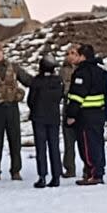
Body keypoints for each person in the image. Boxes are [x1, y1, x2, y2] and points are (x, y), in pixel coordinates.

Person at [0, 40, 32, 181]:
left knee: (15, 141)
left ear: (3, 51)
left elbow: (29, 80)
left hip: (12, 107)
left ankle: (16, 171)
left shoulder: (14, 67)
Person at [65, 43, 107, 185]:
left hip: (86, 116)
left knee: (88, 146)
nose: (72, 57)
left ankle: (93, 174)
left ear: (82, 56)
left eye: (75, 54)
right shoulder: (100, 70)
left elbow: (77, 96)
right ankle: (98, 171)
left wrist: (71, 115)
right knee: (97, 143)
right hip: (99, 114)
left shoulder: (82, 72)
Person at [27, 54, 64, 188]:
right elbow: (60, 97)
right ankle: (56, 176)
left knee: (41, 148)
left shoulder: (37, 81)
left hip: (39, 117)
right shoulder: (58, 81)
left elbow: (30, 100)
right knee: (54, 146)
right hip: (53, 116)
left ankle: (42, 176)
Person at [59, 44, 89, 179]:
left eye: (73, 53)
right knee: (68, 140)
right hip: (67, 104)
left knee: (84, 140)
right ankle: (69, 168)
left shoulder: (85, 69)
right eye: (68, 53)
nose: (70, 56)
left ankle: (87, 168)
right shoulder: (63, 70)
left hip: (82, 106)